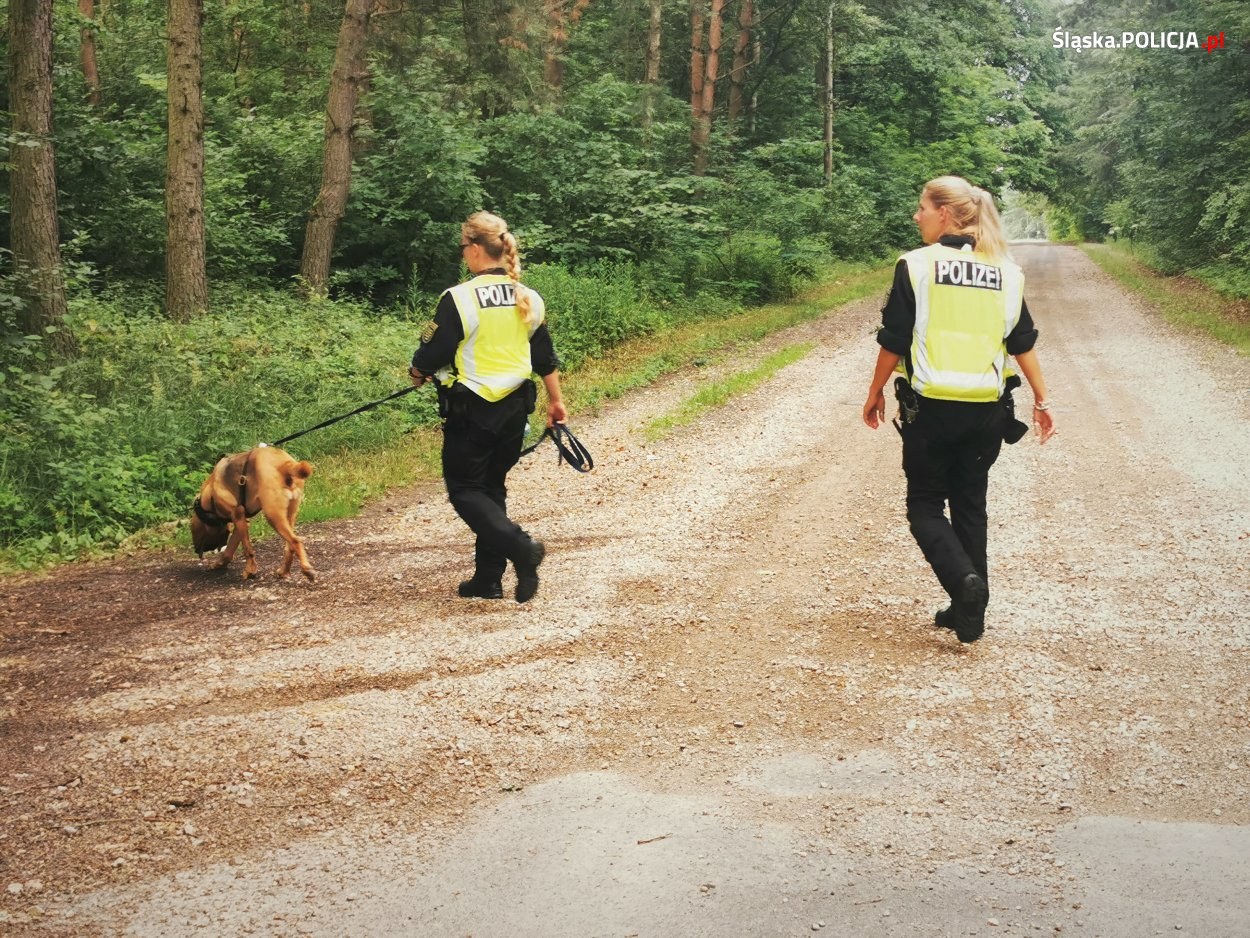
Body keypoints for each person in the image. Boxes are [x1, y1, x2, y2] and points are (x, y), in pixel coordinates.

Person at [861, 176, 1055, 644]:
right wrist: (1043, 399)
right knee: (970, 505)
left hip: (931, 409)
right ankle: (970, 614)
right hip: (986, 411)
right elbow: (1022, 341)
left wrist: (874, 392)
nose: (916, 216)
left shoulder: (917, 265)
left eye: (922, 207)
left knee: (925, 507)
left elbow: (895, 338)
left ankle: (963, 584)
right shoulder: (1006, 271)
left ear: (945, 214)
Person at [410, 211, 567, 603]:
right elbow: (544, 356)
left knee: (465, 490)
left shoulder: (458, 298)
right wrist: (557, 402)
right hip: (516, 410)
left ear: (477, 248)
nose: (463, 255)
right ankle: (488, 578)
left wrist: (418, 371)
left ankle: (522, 548)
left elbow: (434, 351)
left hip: (472, 409)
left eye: (464, 247)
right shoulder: (527, 296)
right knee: (491, 489)